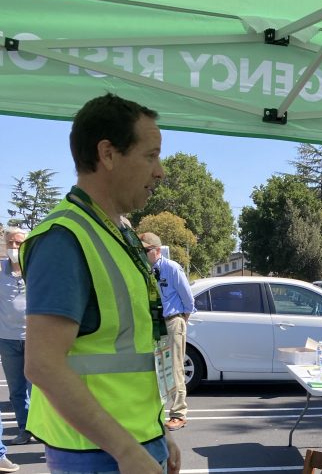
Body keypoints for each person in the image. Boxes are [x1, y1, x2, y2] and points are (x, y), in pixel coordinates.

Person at [20, 93, 181, 474]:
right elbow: (42, 364)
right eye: (150, 155)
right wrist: (126, 451)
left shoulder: (118, 233)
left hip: (133, 443)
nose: (160, 172)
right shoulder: (64, 239)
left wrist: (157, 431)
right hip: (98, 456)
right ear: (108, 154)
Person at [139, 232, 195, 431]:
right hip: (155, 323)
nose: (143, 253)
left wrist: (181, 319)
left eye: (145, 250)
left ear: (157, 250)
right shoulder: (147, 270)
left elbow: (188, 299)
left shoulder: (171, 268)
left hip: (172, 321)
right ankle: (157, 412)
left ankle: (179, 413)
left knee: (176, 368)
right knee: (158, 368)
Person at [0, 227, 32, 446]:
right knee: (17, 391)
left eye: (18, 243)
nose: (14, 247)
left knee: (38, 389)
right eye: (10, 243)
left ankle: (43, 429)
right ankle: (24, 429)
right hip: (7, 340)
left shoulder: (35, 269)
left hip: (35, 339)